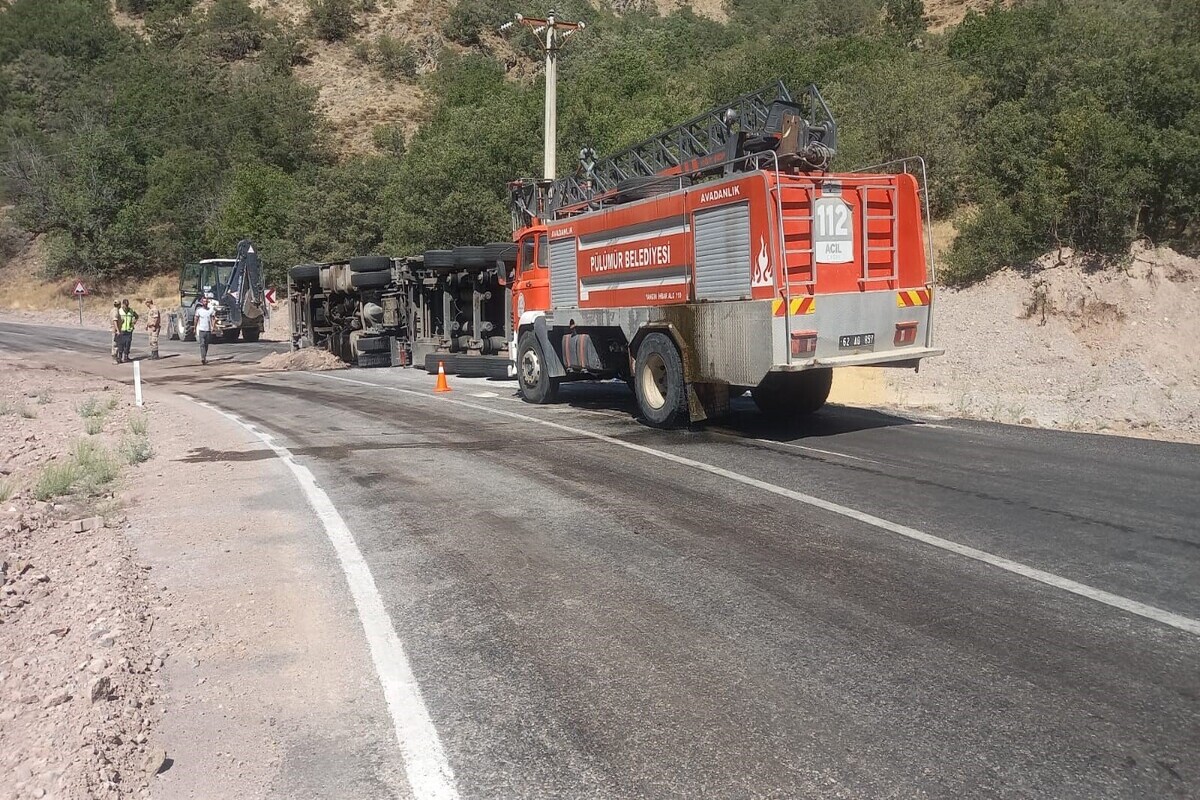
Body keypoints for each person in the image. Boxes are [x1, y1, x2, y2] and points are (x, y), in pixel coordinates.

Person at [193, 297, 215, 365]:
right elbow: (196, 319)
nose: (205, 303)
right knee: (202, 344)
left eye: (206, 302)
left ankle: (204, 356)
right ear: (202, 302)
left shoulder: (210, 310)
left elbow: (213, 318)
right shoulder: (199, 311)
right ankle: (203, 358)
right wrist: (194, 328)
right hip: (201, 330)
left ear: (207, 302)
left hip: (208, 330)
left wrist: (213, 326)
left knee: (206, 344)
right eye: (204, 301)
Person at [116, 299, 139, 364]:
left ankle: (126, 356)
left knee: (128, 344)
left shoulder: (131, 311)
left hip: (129, 330)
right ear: (123, 304)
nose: (126, 306)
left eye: (127, 305)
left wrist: (134, 321)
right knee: (121, 344)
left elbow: (136, 316)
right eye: (125, 305)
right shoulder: (119, 311)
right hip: (121, 330)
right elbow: (115, 319)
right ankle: (119, 357)